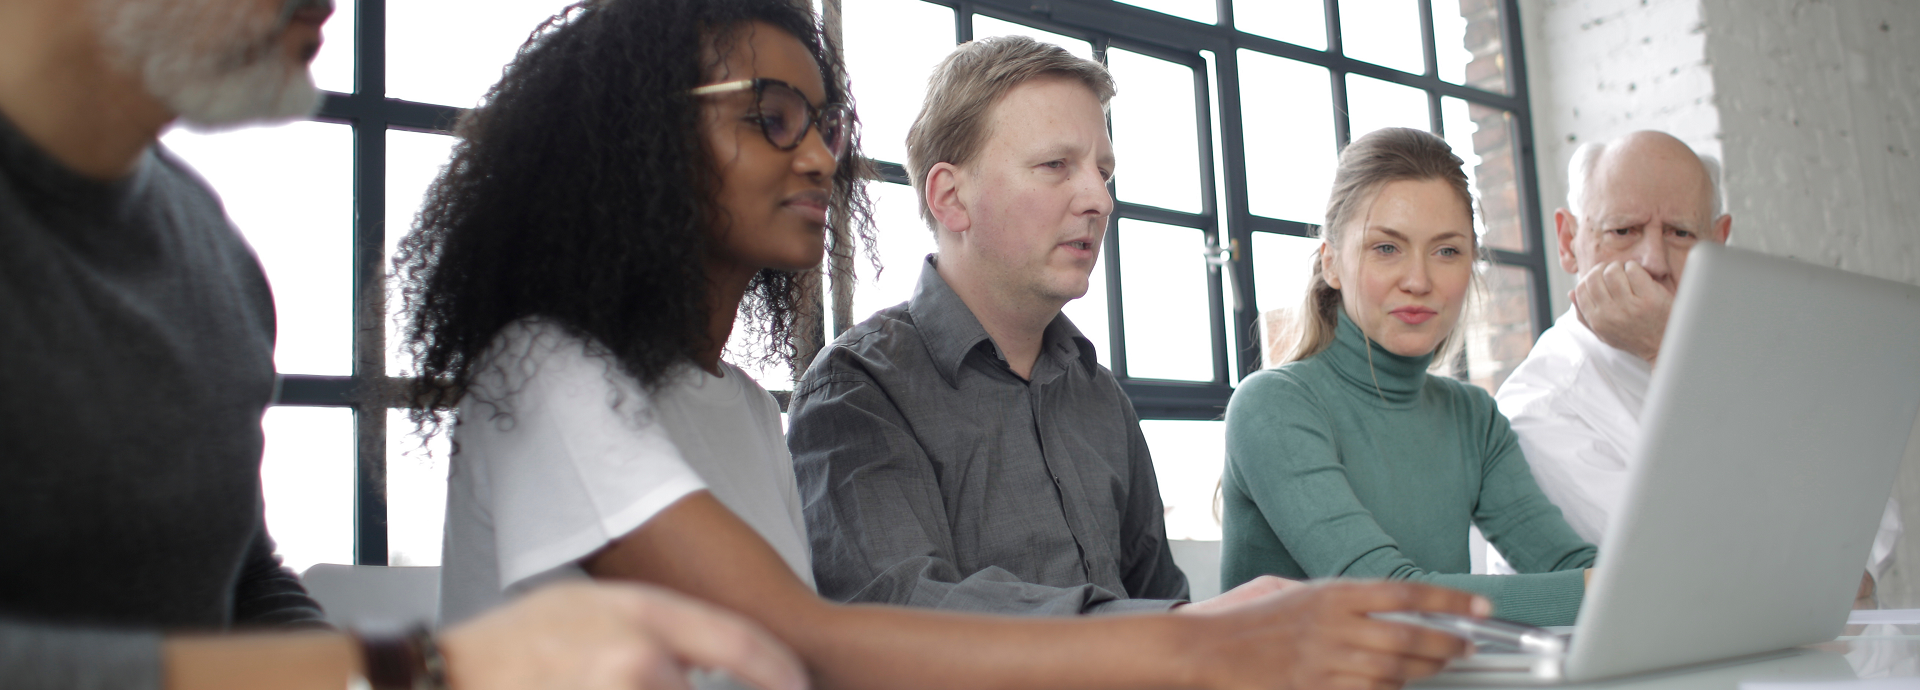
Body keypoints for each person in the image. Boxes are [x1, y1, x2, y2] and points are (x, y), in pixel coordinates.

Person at [403, 3, 1488, 689]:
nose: (822, 157)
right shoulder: (544, 369)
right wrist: (1206, 648)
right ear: (634, 138)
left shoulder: (738, 405)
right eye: (773, 116)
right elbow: (826, 635)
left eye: (826, 125)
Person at [0, 0, 810, 688]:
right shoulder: (550, 370)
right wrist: (422, 664)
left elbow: (241, 580)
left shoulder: (206, 250)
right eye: (771, 117)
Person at [785, 33, 1284, 616]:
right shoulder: (858, 391)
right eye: (1055, 165)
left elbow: (1161, 600)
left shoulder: (1101, 397)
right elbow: (906, 618)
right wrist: (1176, 630)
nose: (1100, 198)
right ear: (950, 198)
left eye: (1104, 172)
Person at [1492, 130, 1899, 601]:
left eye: (1681, 233)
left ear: (1718, 243)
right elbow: (1721, 578)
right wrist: (1668, 348)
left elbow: (1868, 534)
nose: (1653, 261)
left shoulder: (1775, 357)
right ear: (1568, 241)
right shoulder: (1534, 408)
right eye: (1623, 230)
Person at [1219, 128, 1598, 627]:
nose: (1419, 280)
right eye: (1386, 248)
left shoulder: (1473, 417)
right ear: (1331, 261)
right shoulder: (1273, 405)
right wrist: (1611, 592)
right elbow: (1383, 595)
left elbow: (1566, 564)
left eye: (1447, 251)